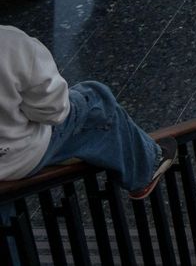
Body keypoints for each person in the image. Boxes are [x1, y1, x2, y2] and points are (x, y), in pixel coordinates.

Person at [0, 26, 179, 199]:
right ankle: (146, 168)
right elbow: (54, 112)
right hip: (18, 158)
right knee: (93, 99)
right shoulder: (12, 44)